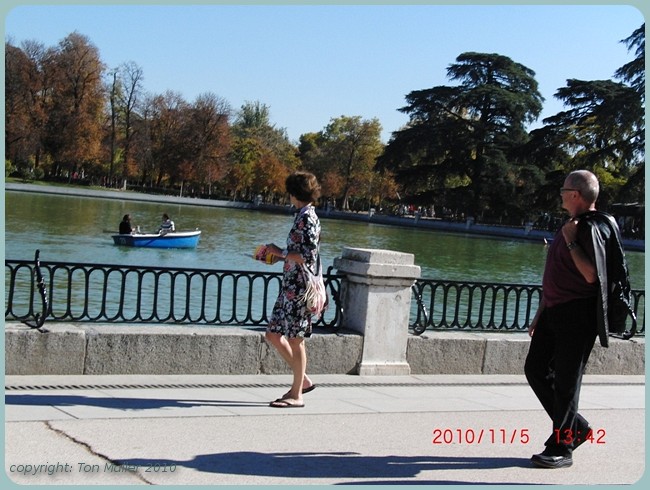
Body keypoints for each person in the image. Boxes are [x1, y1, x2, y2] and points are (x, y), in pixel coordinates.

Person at [524, 169, 631, 469]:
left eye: (563, 190)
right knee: (535, 369)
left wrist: (571, 241)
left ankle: (563, 446)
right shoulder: (573, 225)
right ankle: (577, 428)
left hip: (577, 314)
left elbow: (590, 276)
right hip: (554, 311)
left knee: (567, 383)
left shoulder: (592, 228)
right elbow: (556, 274)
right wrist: (540, 312)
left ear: (575, 194)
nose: (560, 194)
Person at [264, 171, 321, 408]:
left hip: (298, 289)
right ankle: (303, 380)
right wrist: (276, 257)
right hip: (289, 287)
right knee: (273, 335)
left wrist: (279, 251)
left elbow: (307, 255)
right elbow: (298, 254)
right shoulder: (302, 216)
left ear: (294, 193)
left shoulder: (307, 218)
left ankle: (297, 394)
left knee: (296, 340)